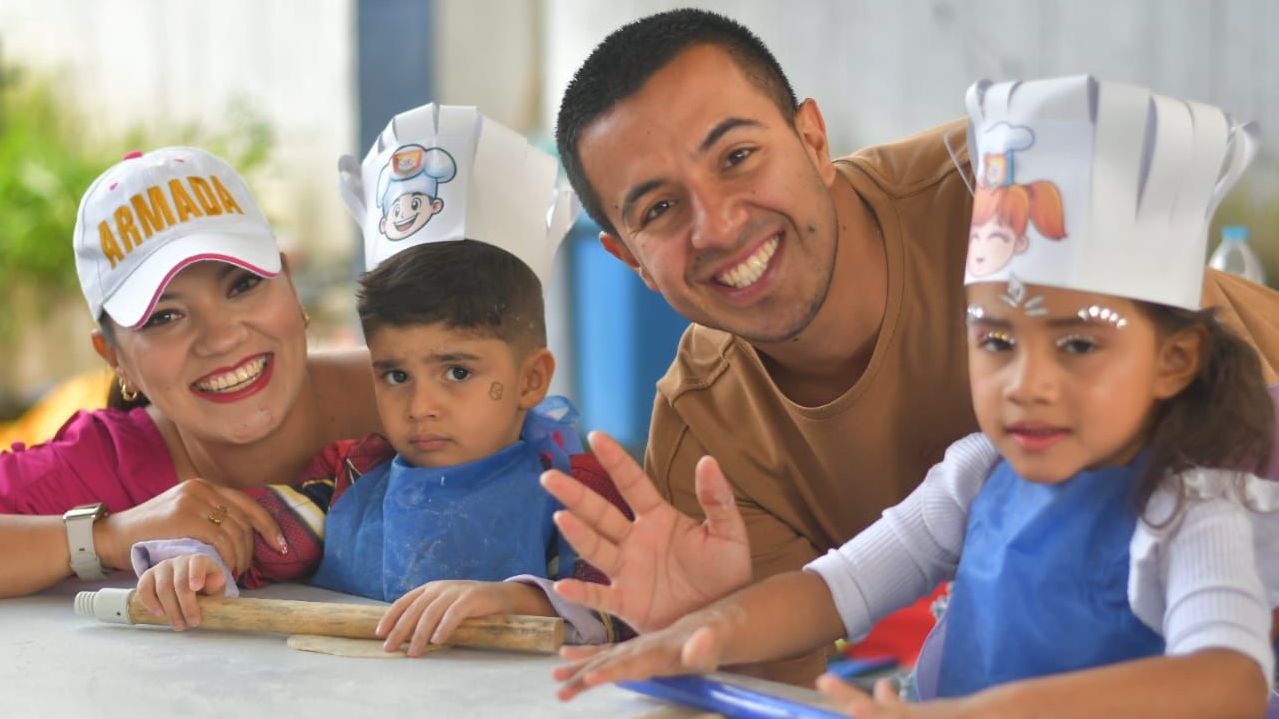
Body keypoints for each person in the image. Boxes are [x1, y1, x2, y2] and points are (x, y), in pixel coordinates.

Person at [547, 8, 1279, 683]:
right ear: (627, 259)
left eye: (736, 155)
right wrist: (705, 629)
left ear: (812, 138)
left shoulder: (1028, 180)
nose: (717, 225)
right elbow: (825, 607)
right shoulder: (962, 474)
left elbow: (1231, 670)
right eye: (661, 207)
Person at [132, 105, 631, 655]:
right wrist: (194, 561)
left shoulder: (577, 492)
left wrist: (515, 601)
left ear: (531, 378)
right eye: (395, 374)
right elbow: (256, 535)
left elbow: (623, 603)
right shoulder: (348, 482)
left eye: (457, 372)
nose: (420, 406)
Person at [0, 147, 381, 598]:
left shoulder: (415, 387)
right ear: (114, 357)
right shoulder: (112, 463)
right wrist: (109, 536)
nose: (220, 338)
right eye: (164, 317)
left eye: (242, 285)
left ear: (291, 285)